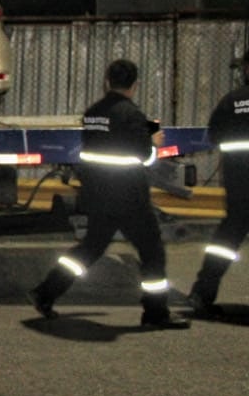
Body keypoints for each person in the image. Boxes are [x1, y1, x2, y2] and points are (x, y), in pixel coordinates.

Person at [28, 58, 188, 328]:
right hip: (129, 197)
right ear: (135, 85)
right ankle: (156, 313)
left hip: (99, 193)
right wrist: (154, 143)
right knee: (153, 252)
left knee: (91, 247)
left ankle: (46, 292)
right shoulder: (132, 115)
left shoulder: (93, 113)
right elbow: (144, 157)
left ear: (106, 82)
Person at [187, 51, 249, 318]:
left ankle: (202, 294)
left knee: (226, 240)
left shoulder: (232, 100)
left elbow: (213, 135)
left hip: (239, 183)